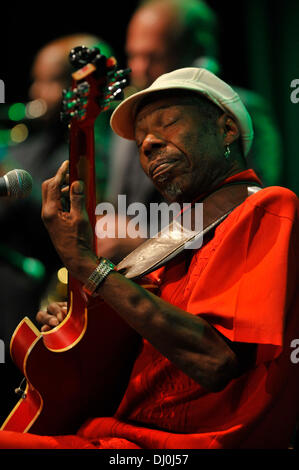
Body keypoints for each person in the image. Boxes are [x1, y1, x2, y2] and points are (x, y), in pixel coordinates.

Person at [0, 67, 298, 449]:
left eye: (168, 123)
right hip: (113, 433)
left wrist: (89, 266)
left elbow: (214, 360)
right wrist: (86, 330)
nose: (148, 144)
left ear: (226, 129)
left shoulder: (268, 208)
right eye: (140, 139)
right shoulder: (174, 243)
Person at [102, 0, 283, 263]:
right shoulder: (127, 119)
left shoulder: (244, 110)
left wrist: (145, 243)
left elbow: (258, 216)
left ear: (198, 53)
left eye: (154, 56)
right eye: (133, 55)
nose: (139, 69)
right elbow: (119, 208)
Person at [0, 33, 113, 422]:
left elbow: (80, 215)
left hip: (50, 282)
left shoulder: (103, 143)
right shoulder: (26, 144)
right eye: (35, 79)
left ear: (76, 88)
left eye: (46, 80)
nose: (34, 91)